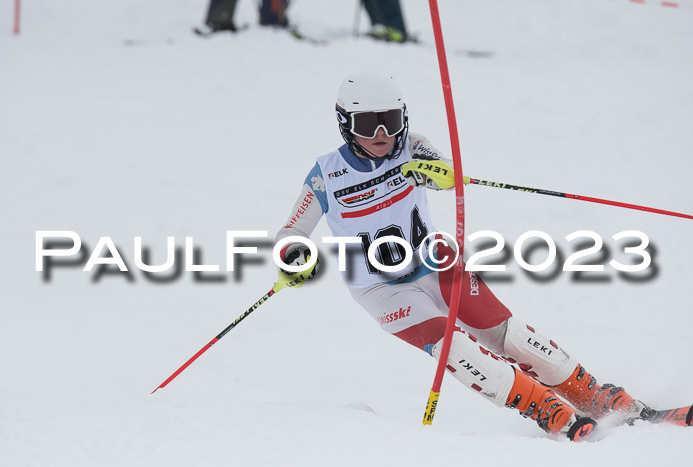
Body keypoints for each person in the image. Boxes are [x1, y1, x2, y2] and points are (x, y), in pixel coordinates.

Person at [274, 71, 651, 441]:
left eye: (389, 121)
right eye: (368, 124)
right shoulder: (326, 174)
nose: (382, 135)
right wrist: (294, 256)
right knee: (450, 345)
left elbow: (448, 172)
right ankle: (541, 406)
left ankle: (595, 395)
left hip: (434, 262)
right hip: (379, 288)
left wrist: (435, 173)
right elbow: (293, 230)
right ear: (344, 123)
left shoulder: (412, 146)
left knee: (504, 331)